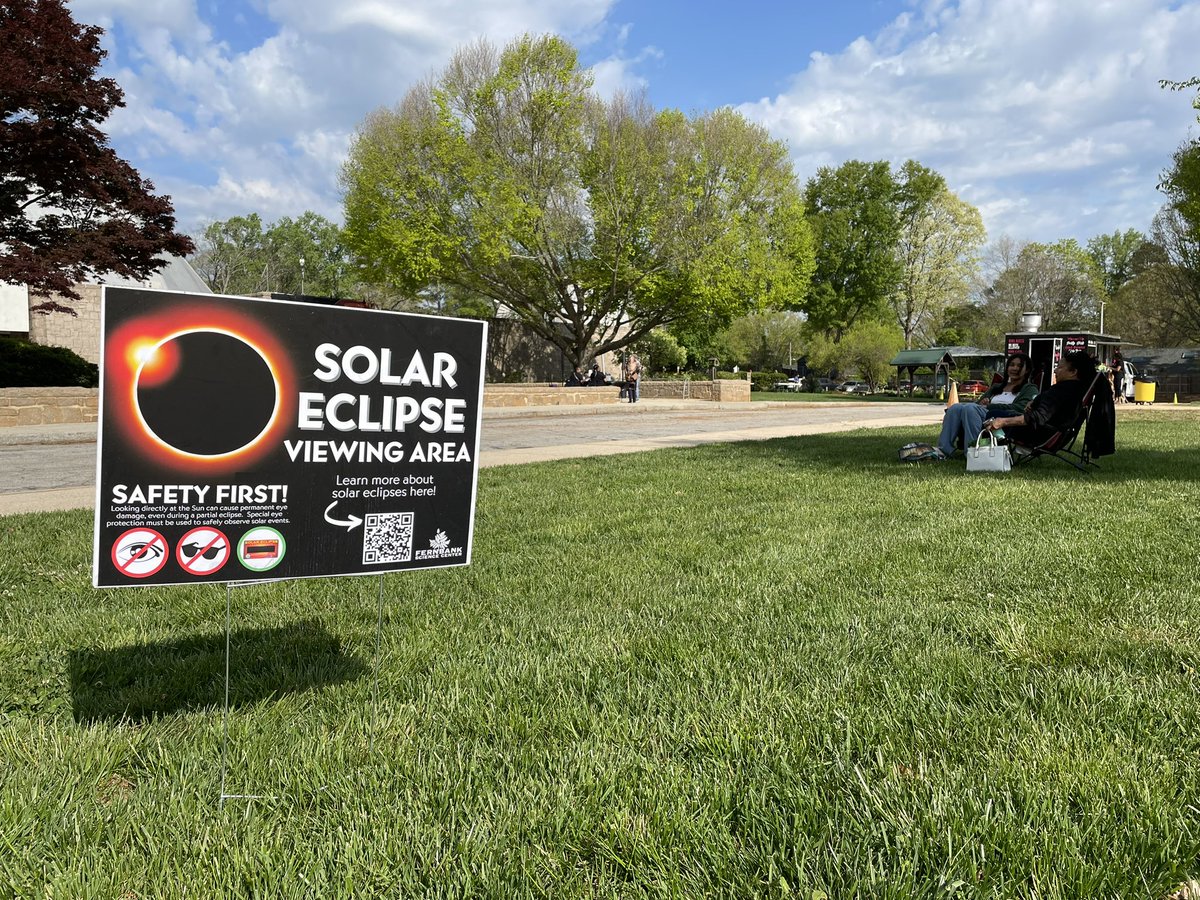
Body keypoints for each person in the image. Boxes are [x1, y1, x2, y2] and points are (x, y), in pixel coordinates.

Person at [984, 350, 1099, 447]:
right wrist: (1036, 401)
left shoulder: (1061, 391)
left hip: (1038, 435)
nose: (1055, 370)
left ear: (1073, 372)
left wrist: (1002, 421)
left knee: (992, 415)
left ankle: (978, 449)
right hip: (1052, 433)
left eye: (1059, 367)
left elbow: (1037, 417)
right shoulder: (1076, 390)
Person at [935, 352, 1037, 458]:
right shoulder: (997, 387)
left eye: (1019, 366)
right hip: (982, 414)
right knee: (955, 408)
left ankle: (972, 453)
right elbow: (978, 404)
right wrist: (983, 403)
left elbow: (1020, 408)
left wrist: (990, 406)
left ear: (1027, 370)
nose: (1014, 368)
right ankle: (943, 450)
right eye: (1012, 365)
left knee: (970, 409)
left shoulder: (1029, 389)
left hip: (1004, 419)